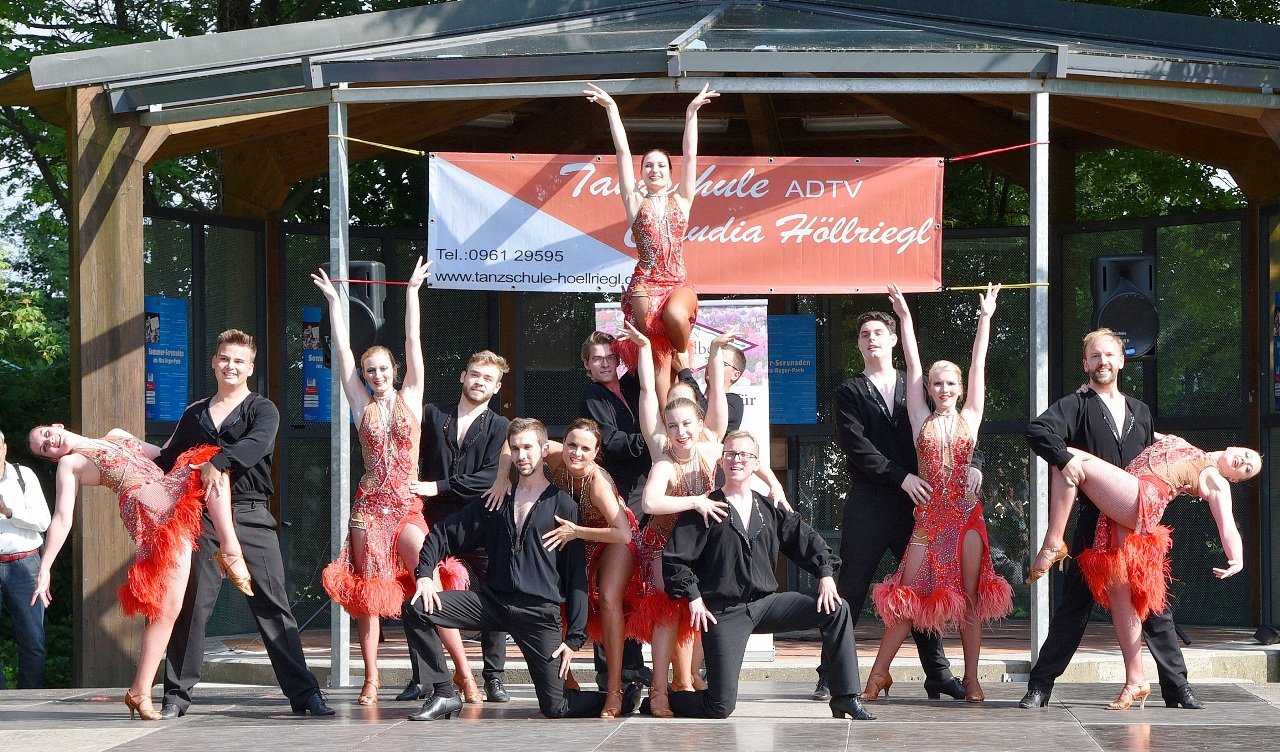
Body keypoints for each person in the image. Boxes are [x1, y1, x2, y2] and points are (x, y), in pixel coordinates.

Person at [401, 418, 641, 721]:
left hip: (538, 614)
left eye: (528, 447)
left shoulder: (562, 504)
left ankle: (624, 695)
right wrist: (424, 574)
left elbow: (575, 574)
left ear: (543, 450)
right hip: (492, 603)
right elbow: (443, 533)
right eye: (515, 448)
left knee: (556, 708)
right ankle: (444, 692)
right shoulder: (496, 501)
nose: (522, 454)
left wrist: (574, 638)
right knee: (416, 608)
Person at [313, 259, 475, 706]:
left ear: (395, 371)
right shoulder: (360, 403)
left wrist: (412, 293)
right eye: (371, 372)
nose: (377, 376)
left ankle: (463, 674)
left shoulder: (411, 396)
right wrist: (333, 302)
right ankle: (371, 678)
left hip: (404, 505)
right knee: (368, 595)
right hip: (369, 506)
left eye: (384, 370)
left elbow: (412, 339)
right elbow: (344, 353)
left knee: (428, 581)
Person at [1020, 328, 1205, 711]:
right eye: (1094, 356)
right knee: (1073, 607)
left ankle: (1177, 688)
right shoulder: (1075, 404)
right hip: (1093, 523)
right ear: (1085, 363)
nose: (1102, 362)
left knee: (1154, 606)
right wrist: (1065, 457)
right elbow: (1038, 430)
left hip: (1136, 525)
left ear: (1121, 360)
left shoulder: (1140, 410)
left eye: (1109, 355)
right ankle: (1040, 687)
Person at [156, 329, 333, 718]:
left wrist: (217, 461)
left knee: (273, 604)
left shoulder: (263, 409)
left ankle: (305, 695)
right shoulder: (194, 413)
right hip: (202, 518)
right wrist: (117, 458)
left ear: (250, 367)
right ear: (214, 362)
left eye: (239, 360)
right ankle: (176, 696)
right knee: (193, 606)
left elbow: (254, 448)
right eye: (224, 358)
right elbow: (168, 459)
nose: (230, 365)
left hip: (250, 514)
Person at [28, 423, 252, 719]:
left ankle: (138, 691)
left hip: (171, 497)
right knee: (206, 464)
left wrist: (190, 417)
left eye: (45, 434)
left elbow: (165, 455)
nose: (49, 442)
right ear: (53, 458)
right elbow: (61, 518)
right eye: (44, 448)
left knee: (170, 607)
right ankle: (231, 549)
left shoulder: (117, 434)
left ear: (55, 426)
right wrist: (45, 567)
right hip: (146, 506)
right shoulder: (71, 464)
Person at [859, 284, 1012, 703]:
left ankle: (973, 679)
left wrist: (985, 317)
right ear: (928, 389)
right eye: (937, 384)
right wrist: (904, 318)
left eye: (950, 384)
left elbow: (978, 362)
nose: (943, 389)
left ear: (960, 389)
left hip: (965, 518)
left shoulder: (971, 416)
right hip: (928, 520)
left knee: (969, 599)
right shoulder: (919, 415)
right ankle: (876, 676)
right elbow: (911, 362)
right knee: (906, 597)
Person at [629, 322, 789, 716]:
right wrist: (646, 350)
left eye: (687, 423)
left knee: (705, 611)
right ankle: (659, 690)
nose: (681, 432)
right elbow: (650, 503)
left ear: (699, 423)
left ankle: (690, 677)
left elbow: (719, 396)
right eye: (673, 425)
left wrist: (716, 352)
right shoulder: (663, 454)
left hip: (704, 546)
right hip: (665, 545)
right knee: (668, 614)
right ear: (665, 429)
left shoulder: (712, 443)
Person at [661, 430, 875, 721]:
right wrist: (694, 597)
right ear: (721, 462)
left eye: (744, 455)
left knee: (837, 609)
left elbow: (806, 540)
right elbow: (676, 559)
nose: (736, 460)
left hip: (767, 605)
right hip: (724, 612)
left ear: (755, 463)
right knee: (720, 706)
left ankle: (845, 696)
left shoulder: (769, 508)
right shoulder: (705, 508)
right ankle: (666, 698)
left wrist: (825, 573)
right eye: (730, 454)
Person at [1030, 434, 1255, 709]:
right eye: (1245, 455)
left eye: (1246, 469)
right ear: (1234, 445)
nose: (1243, 461)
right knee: (1121, 596)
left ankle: (1054, 542)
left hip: (1141, 499)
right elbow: (1136, 426)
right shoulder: (1180, 441)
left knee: (1065, 457)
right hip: (1120, 510)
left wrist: (1237, 558)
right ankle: (1135, 680)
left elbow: (1227, 525)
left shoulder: (1216, 480)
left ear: (1235, 479)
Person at [819, 306, 974, 703]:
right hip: (871, 501)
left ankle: (937, 674)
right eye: (864, 334)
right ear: (858, 344)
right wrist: (900, 476)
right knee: (850, 587)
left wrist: (977, 467)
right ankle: (831, 674)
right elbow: (856, 447)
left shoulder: (917, 385)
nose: (872, 338)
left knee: (922, 589)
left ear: (892, 340)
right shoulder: (849, 390)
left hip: (917, 508)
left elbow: (952, 430)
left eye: (878, 332)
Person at [486, 417, 638, 717]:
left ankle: (615, 690)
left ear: (596, 452)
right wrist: (503, 475)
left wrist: (577, 532)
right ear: (561, 443)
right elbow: (511, 440)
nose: (576, 453)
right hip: (573, 536)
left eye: (585, 448)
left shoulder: (598, 484)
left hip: (610, 538)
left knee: (608, 599)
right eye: (572, 445)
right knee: (556, 597)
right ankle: (567, 684)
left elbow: (623, 533)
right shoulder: (552, 453)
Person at [586, 81, 718, 409]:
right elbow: (621, 152)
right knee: (658, 368)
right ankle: (665, 430)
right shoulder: (634, 201)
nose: (654, 169)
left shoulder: (683, 199)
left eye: (660, 165)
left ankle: (685, 364)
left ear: (670, 174)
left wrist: (691, 113)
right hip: (645, 284)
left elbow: (690, 155)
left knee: (675, 315)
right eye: (648, 165)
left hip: (676, 283)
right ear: (641, 173)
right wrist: (612, 109)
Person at [404, 350, 511, 703]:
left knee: (496, 588)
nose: (479, 381)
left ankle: (493, 676)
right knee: (419, 588)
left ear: (496, 387)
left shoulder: (501, 427)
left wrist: (439, 485)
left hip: (483, 520)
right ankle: (426, 678)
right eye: (475, 374)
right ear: (462, 377)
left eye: (487, 378)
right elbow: (409, 451)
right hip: (436, 521)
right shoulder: (434, 415)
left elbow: (489, 477)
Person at [577, 331, 652, 691]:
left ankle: (635, 664)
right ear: (587, 365)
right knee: (608, 584)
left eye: (609, 356)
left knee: (635, 580)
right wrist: (651, 443)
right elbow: (612, 441)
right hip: (615, 490)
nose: (604, 363)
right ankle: (610, 671)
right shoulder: (592, 396)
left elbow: (653, 366)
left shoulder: (633, 384)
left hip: (642, 486)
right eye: (596, 358)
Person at [0, 428, 50, 689]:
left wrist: (8, 511)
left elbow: (43, 521)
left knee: (33, 641)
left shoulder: (23, 475)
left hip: (25, 564)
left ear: (4, 448)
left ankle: (30, 699)